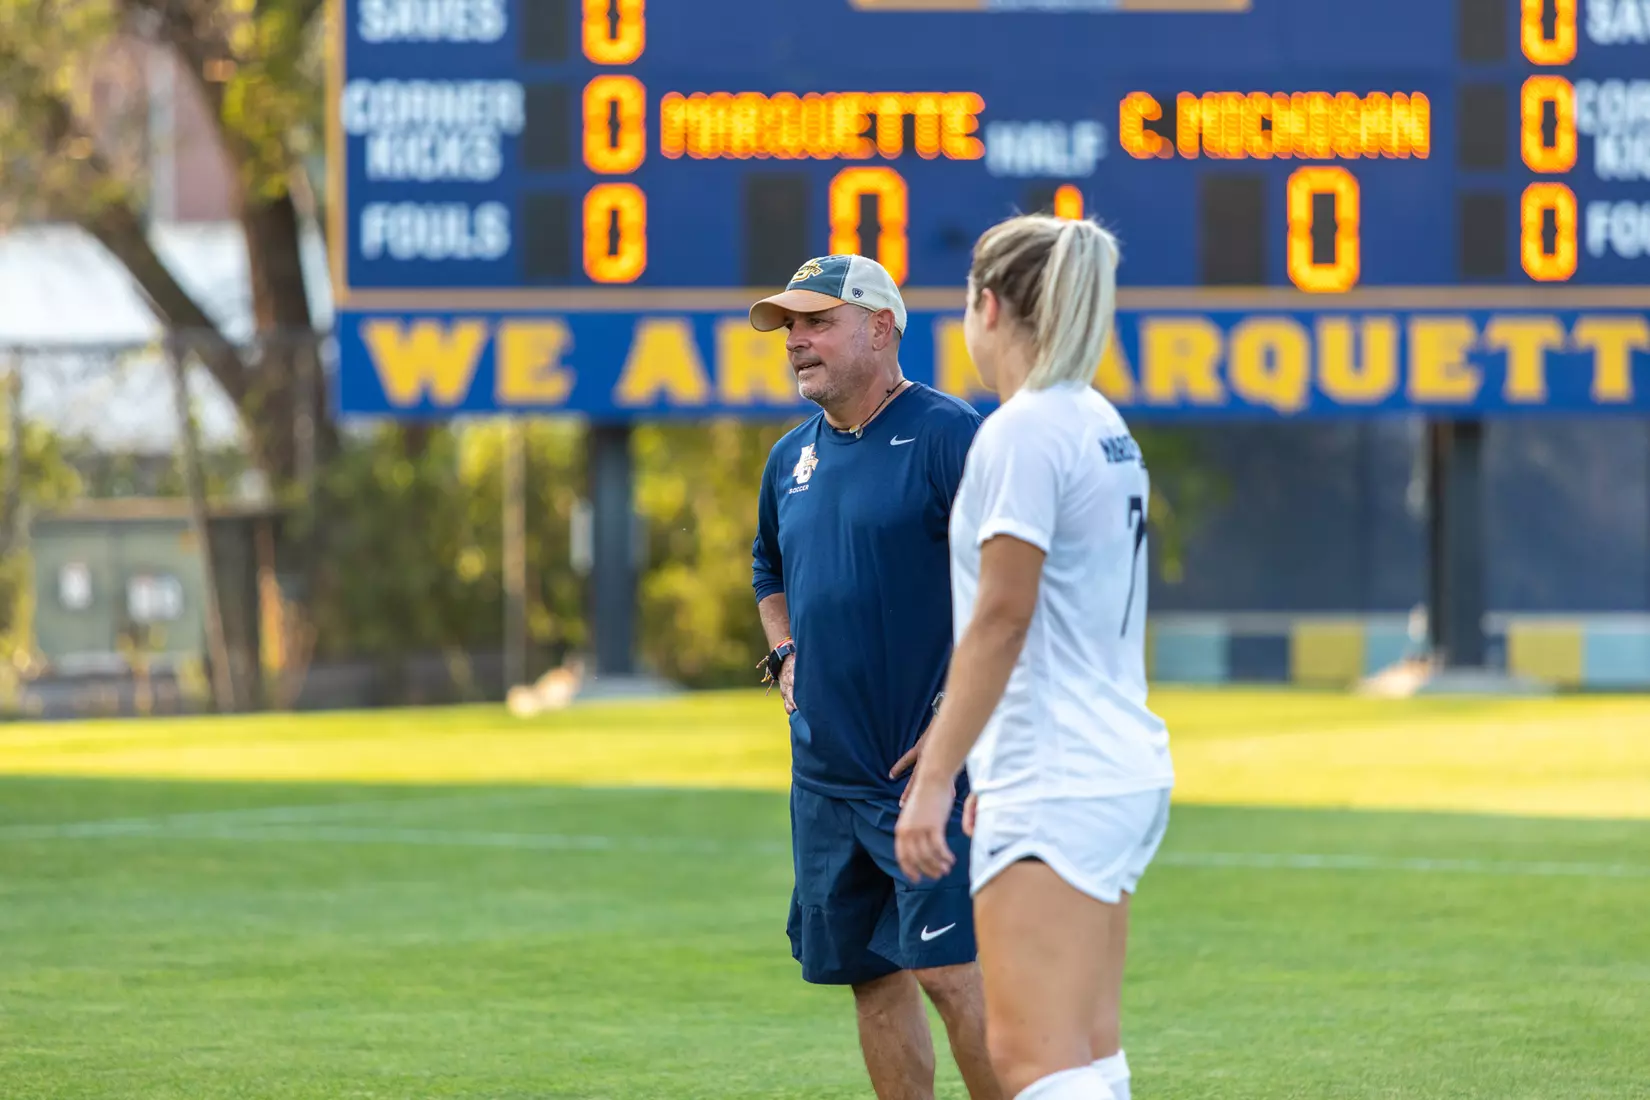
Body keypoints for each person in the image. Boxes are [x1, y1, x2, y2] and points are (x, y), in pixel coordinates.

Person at [893, 214, 1175, 1100]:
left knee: (1031, 1063)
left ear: (986, 305)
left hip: (1063, 776)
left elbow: (1002, 616)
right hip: (1106, 767)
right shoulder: (1097, 420)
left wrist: (939, 778)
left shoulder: (1023, 430)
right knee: (1086, 1050)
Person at [748, 253, 1001, 1100]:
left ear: (881, 327)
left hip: (922, 774)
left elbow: (1008, 588)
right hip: (823, 778)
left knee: (950, 973)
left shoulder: (946, 434)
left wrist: (959, 719)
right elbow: (766, 569)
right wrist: (783, 651)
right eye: (790, 327)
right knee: (872, 978)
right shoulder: (790, 458)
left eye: (816, 323)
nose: (796, 342)